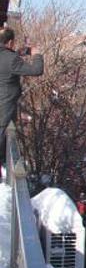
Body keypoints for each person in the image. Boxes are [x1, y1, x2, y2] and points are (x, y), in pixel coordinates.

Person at [0, 27, 43, 170]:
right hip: (4, 106)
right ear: (11, 42)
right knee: (3, 137)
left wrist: (17, 53)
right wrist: (37, 55)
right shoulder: (11, 59)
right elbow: (37, 70)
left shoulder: (9, 57)